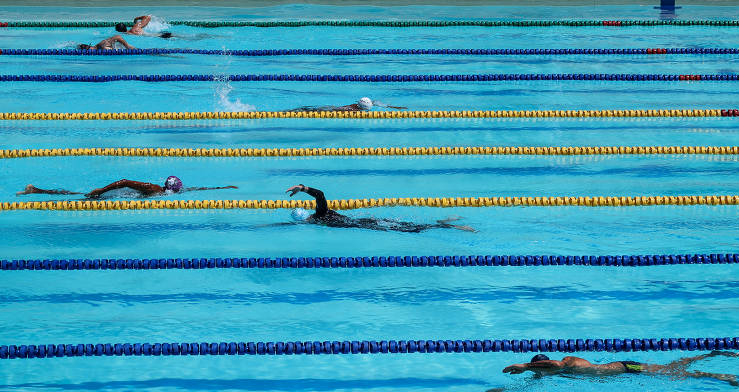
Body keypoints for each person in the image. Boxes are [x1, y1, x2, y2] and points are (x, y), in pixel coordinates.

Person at [485, 351, 739, 392]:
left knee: (675, 373)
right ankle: (711, 354)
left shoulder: (566, 362)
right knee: (673, 369)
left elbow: (554, 367)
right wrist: (505, 390)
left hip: (627, 367)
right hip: (625, 371)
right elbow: (534, 382)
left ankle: (718, 373)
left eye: (539, 369)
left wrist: (525, 365)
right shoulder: (549, 372)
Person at [286, 184, 474, 232]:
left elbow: (320, 194)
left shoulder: (320, 215)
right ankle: (442, 222)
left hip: (366, 224)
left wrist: (302, 188)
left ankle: (450, 226)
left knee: (411, 229)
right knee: (408, 227)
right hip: (365, 222)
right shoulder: (319, 216)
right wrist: (302, 189)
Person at [16, 177, 237, 199]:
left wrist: (222, 187)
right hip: (115, 195)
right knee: (75, 197)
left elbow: (196, 190)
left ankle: (36, 190)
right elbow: (124, 181)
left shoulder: (167, 190)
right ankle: (36, 191)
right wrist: (101, 191)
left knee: (74, 196)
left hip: (122, 197)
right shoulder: (152, 189)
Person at [287, 97, 407, 113]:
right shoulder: (351, 109)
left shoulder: (371, 103)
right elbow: (337, 110)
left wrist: (397, 108)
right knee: (314, 110)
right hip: (334, 109)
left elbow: (380, 104)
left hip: (334, 105)